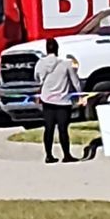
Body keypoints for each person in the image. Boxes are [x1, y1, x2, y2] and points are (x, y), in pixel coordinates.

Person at [33, 36, 83, 164]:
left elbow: (37, 79)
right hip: (63, 101)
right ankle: (66, 155)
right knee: (63, 129)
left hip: (47, 100)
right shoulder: (66, 64)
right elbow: (76, 82)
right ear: (57, 49)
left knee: (48, 128)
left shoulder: (40, 63)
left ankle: (49, 155)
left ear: (46, 49)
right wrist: (80, 95)